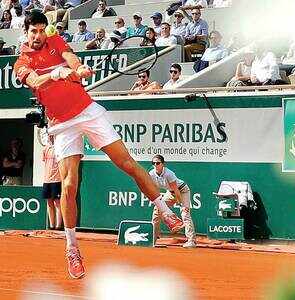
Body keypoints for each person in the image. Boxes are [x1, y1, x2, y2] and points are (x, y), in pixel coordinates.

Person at [14, 11, 183, 279]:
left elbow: (70, 56)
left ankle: (165, 210)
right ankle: (72, 248)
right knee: (69, 186)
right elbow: (34, 81)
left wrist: (78, 67)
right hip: (61, 124)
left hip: (87, 111)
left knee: (127, 164)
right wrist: (56, 73)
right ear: (26, 32)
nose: (37, 36)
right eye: (33, 31)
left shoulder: (54, 40)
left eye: (40, 31)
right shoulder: (22, 61)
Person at [150, 155, 196, 248]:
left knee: (185, 214)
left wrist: (180, 204)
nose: (155, 165)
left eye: (158, 163)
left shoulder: (169, 174)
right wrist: (158, 202)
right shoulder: (151, 174)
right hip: (170, 192)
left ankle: (191, 241)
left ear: (163, 164)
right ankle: (153, 239)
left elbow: (176, 190)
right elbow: (154, 189)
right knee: (157, 211)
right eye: (153, 163)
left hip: (182, 191)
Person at [42, 133, 63, 230]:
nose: (50, 137)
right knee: (49, 202)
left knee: (57, 203)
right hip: (47, 180)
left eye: (52, 135)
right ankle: (51, 225)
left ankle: (58, 226)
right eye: (49, 135)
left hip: (57, 180)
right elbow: (44, 162)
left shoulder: (60, 148)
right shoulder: (45, 149)